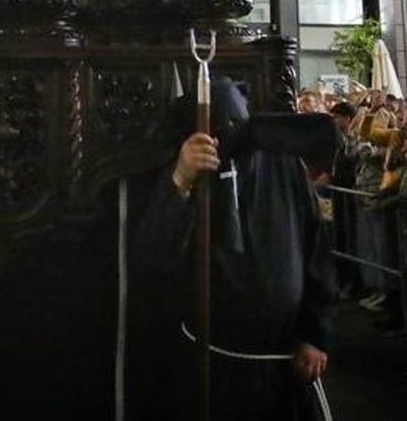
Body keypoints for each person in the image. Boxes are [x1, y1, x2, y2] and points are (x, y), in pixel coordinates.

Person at [131, 76, 337, 420]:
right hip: (212, 361)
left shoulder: (282, 163)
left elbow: (315, 249)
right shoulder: (184, 166)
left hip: (283, 359)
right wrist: (180, 180)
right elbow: (152, 257)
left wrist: (314, 333)